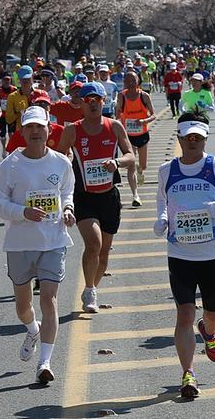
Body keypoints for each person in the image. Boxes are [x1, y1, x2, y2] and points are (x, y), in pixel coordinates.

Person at [153, 112, 215, 398]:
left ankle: (208, 331)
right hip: (179, 253)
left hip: (212, 252)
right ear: (180, 138)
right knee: (184, 314)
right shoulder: (167, 170)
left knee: (214, 315)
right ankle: (188, 374)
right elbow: (161, 200)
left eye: (198, 137)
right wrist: (162, 219)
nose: (192, 142)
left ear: (205, 138)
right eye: (188, 137)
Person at [0, 106, 76, 383]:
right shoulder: (9, 166)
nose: (36, 131)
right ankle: (32, 329)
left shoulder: (61, 163)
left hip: (53, 240)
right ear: (22, 132)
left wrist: (67, 209)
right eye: (30, 127)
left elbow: (67, 191)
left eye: (41, 126)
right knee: (23, 305)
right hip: (19, 243)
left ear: (48, 130)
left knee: (49, 299)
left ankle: (45, 362)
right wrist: (22, 213)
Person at [57, 82, 135, 313]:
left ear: (104, 102)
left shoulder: (115, 127)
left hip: (109, 197)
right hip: (85, 197)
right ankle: (90, 290)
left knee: (103, 251)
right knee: (94, 244)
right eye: (88, 100)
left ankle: (92, 288)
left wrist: (117, 163)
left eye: (97, 100)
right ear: (81, 103)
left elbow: (130, 155)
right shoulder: (72, 130)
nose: (92, 104)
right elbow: (58, 158)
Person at [116, 71, 156, 206]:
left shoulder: (144, 96)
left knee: (143, 165)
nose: (131, 83)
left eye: (133, 80)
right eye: (127, 81)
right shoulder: (121, 96)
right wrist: (119, 125)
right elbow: (117, 114)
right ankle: (135, 195)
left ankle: (141, 171)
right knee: (130, 166)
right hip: (128, 136)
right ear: (124, 83)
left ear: (138, 81)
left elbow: (153, 115)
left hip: (142, 134)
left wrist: (144, 121)